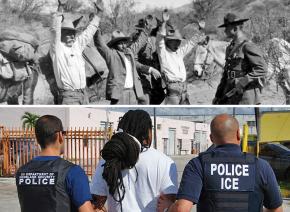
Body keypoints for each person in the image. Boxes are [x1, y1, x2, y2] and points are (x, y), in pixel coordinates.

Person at [157, 114, 283, 212]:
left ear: (211, 138)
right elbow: (276, 208)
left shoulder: (198, 164)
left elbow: (181, 208)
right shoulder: (261, 166)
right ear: (239, 134)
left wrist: (168, 207)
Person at [90, 110, 178, 212]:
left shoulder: (108, 160)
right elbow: (168, 204)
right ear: (147, 132)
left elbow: (96, 205)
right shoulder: (165, 162)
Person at [16, 115, 94, 212]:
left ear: (38, 138)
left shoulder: (22, 171)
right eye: (64, 133)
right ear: (60, 135)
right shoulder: (73, 172)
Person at [49, 1, 100, 105]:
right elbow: (55, 30)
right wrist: (60, 7)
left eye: (73, 33)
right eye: (68, 33)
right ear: (61, 34)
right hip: (69, 97)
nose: (72, 36)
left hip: (83, 94)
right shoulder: (57, 48)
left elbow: (89, 32)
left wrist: (99, 14)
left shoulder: (76, 46)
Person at [94, 21, 154, 105]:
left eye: (124, 42)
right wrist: (96, 28)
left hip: (132, 92)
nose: (123, 45)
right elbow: (100, 44)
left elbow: (139, 43)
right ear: (114, 44)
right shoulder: (111, 54)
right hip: (119, 94)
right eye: (120, 43)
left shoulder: (129, 52)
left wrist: (145, 29)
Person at [213, 13, 268, 105]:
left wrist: (242, 82)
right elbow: (226, 74)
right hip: (229, 92)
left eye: (227, 27)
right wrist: (218, 95)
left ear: (235, 29)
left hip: (245, 94)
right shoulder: (230, 48)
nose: (225, 30)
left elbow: (262, 69)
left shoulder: (247, 46)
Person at [156, 10, 206, 105]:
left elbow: (191, 43)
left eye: (179, 41)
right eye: (175, 41)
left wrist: (200, 30)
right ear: (168, 41)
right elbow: (159, 39)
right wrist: (164, 23)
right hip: (172, 89)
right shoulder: (163, 52)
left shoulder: (179, 52)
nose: (178, 43)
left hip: (184, 89)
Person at [132, 17, 163, 105]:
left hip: (154, 76)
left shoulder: (151, 39)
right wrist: (148, 69)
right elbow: (134, 60)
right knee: (146, 100)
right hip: (142, 76)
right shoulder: (136, 39)